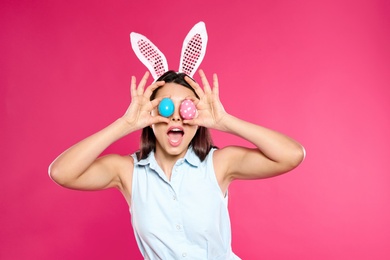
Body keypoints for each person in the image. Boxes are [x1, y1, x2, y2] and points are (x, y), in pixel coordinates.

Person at [49, 69, 305, 259]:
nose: (175, 116)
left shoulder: (218, 164)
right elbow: (62, 172)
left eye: (186, 107)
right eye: (165, 107)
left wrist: (225, 121)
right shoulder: (128, 172)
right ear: (151, 117)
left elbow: (291, 155)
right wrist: (124, 124)